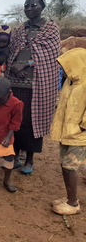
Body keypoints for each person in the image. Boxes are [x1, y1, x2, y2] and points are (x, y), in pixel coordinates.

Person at [6, 0, 60, 174]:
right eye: (26, 5)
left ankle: (29, 159)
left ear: (42, 7)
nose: (29, 8)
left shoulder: (50, 28)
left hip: (37, 85)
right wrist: (15, 66)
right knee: (15, 119)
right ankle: (14, 155)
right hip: (16, 82)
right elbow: (12, 51)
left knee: (31, 120)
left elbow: (51, 56)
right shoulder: (20, 30)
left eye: (33, 5)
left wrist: (27, 64)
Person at [50, 48, 86, 215]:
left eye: (67, 66)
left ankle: (73, 204)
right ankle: (70, 198)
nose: (64, 70)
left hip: (80, 136)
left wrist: (82, 127)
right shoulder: (70, 81)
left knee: (71, 167)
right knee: (64, 165)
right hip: (67, 132)